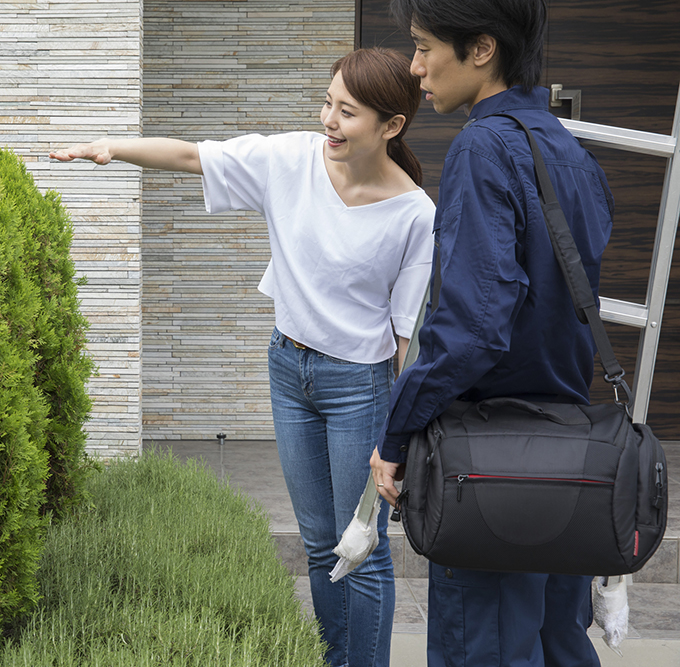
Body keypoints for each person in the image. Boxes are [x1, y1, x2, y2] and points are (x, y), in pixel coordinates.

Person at [51, 48, 435, 667]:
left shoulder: (416, 215)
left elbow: (404, 337)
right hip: (289, 368)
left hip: (358, 384)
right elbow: (191, 155)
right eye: (328, 104)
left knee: (360, 548)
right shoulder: (291, 160)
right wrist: (113, 146)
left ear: (391, 126)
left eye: (348, 112)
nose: (329, 122)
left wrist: (395, 436)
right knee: (317, 542)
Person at [370, 1, 615, 665]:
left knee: (483, 648)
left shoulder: (483, 147)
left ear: (481, 49)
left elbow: (475, 327)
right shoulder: (572, 153)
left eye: (424, 47)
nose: (415, 67)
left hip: (490, 465)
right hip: (565, 457)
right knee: (558, 640)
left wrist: (397, 430)